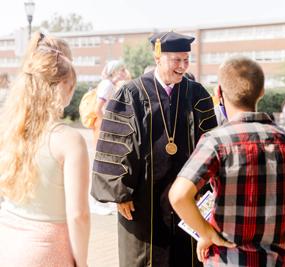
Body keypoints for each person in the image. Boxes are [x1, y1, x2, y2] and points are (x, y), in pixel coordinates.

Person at [169, 57, 285, 266]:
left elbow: (178, 196)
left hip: (228, 259)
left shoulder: (216, 142)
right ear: (262, 92)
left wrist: (207, 232)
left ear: (218, 92)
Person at [91, 31, 217, 267]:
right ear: (158, 57)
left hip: (188, 196)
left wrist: (207, 187)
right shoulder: (131, 94)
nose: (182, 66)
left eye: (186, 60)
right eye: (176, 60)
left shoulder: (197, 94)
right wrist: (120, 193)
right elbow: (115, 144)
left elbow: (210, 144)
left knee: (187, 257)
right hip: (142, 198)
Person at [0, 32, 90, 267]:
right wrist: (82, 262)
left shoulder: (11, 129)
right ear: (62, 86)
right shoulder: (69, 140)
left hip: (8, 242)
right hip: (48, 251)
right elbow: (78, 215)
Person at [93, 60, 129, 143]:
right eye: (122, 70)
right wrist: (107, 126)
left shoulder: (111, 84)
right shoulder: (107, 85)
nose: (125, 72)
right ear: (114, 71)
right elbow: (97, 109)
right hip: (103, 126)